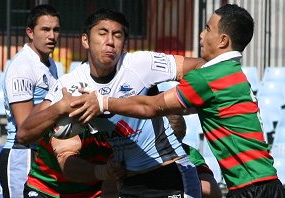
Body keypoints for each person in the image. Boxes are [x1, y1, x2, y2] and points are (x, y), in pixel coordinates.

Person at [72, 4, 285, 198]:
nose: (201, 35)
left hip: (251, 189)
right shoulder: (233, 74)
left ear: (223, 40)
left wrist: (102, 102)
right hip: (268, 183)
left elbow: (152, 106)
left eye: (207, 29)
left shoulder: (209, 77)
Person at [17, 8, 205, 198]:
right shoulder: (69, 84)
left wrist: (179, 101)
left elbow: (200, 65)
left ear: (124, 43)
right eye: (102, 33)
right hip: (128, 183)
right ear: (85, 40)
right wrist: (59, 108)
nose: (110, 42)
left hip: (170, 174)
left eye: (117, 35)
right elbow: (24, 135)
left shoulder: (140, 63)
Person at [0, 4, 60, 198]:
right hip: (22, 155)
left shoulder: (49, 64)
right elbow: (24, 130)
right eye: (45, 29)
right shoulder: (22, 67)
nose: (52, 36)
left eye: (56, 30)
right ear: (30, 33)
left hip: (42, 154)